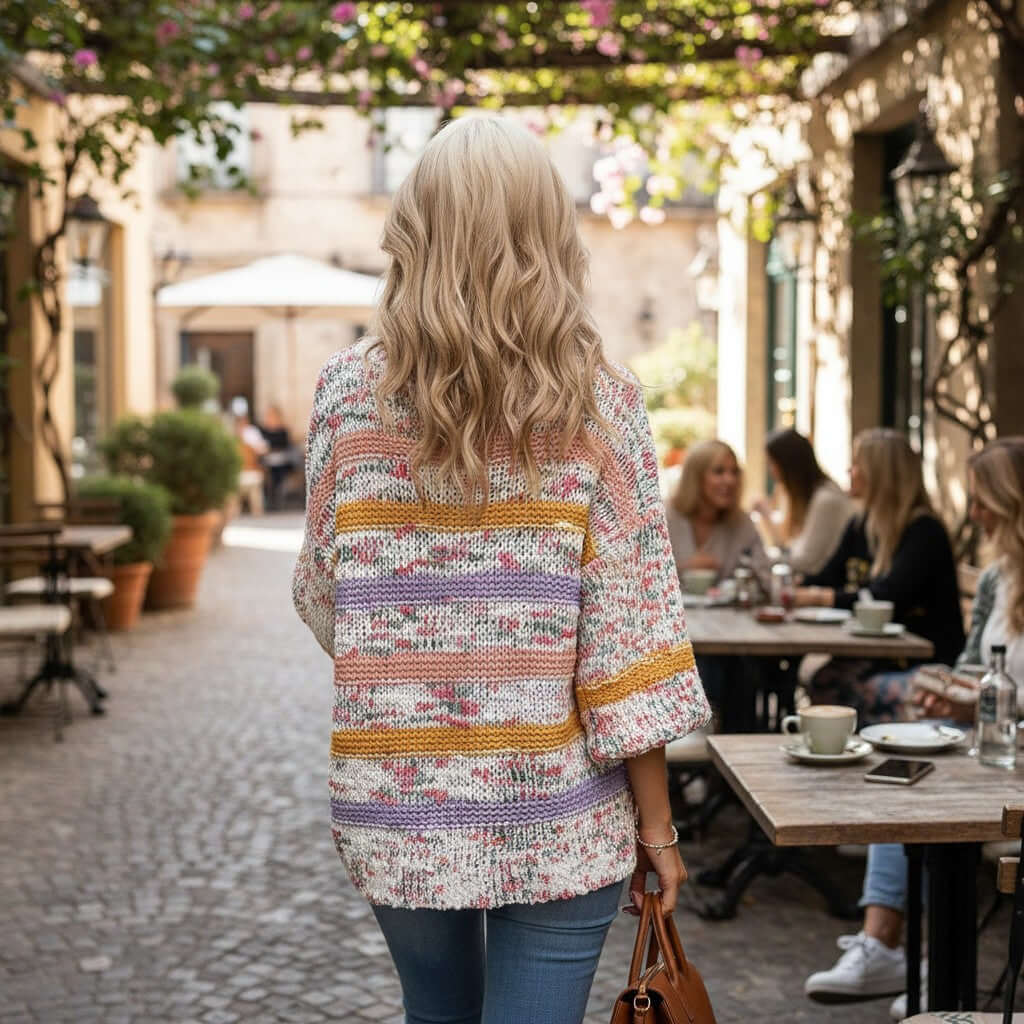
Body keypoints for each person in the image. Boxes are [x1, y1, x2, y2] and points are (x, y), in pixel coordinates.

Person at [292, 116, 711, 1024]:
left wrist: (424, 682)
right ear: (546, 236)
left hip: (396, 805)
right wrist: (659, 830)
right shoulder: (603, 403)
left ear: (417, 229)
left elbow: (324, 597)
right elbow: (629, 647)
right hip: (560, 807)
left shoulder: (345, 393)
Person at [804, 437, 1024, 1017]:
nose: (973, 516)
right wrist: (951, 692)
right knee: (896, 776)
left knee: (905, 767)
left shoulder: (926, 533)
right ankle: (883, 944)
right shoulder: (1000, 578)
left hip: (1010, 757)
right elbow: (974, 663)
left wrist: (981, 703)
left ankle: (926, 967)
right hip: (986, 748)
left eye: (984, 502)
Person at [796, 428, 965, 721]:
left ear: (880, 474)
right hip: (880, 655)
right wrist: (795, 588)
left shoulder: (924, 531)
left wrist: (815, 597)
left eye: (857, 464)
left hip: (923, 658)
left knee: (833, 685)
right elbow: (826, 576)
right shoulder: (862, 523)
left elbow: (887, 598)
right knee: (822, 679)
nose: (850, 471)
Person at [665, 438, 768, 586]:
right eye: (719, 471)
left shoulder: (741, 522)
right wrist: (685, 567)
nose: (730, 480)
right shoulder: (663, 518)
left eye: (734, 472)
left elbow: (766, 579)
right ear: (696, 477)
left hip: (728, 609)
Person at [753, 427, 854, 576]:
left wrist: (761, 560)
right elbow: (785, 543)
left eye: (772, 463)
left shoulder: (825, 500)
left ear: (787, 465)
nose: (771, 471)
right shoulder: (802, 497)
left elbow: (805, 562)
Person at [258, 404, 298, 509]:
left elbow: (285, 444)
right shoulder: (263, 430)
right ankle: (268, 498)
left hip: (281, 459)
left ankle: (277, 497)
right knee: (266, 471)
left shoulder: (283, 430)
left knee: (279, 471)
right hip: (267, 459)